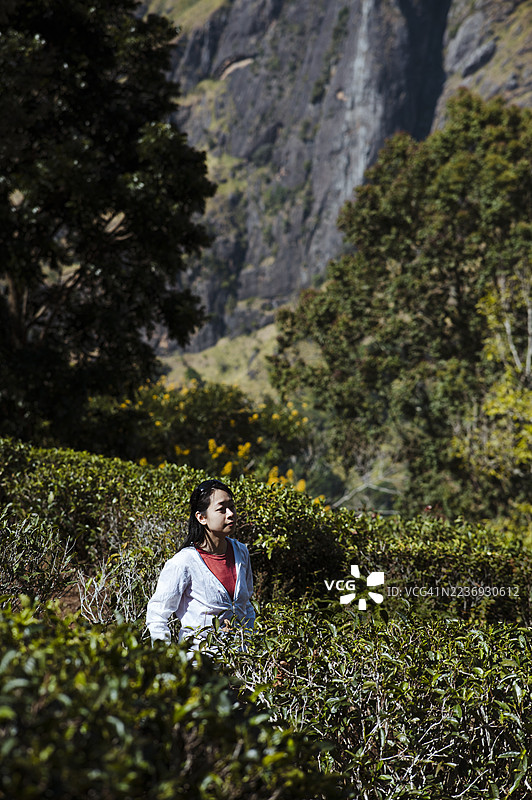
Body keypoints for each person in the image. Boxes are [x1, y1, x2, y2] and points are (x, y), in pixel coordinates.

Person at [146, 478, 255, 649]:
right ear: (201, 517)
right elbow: (157, 615)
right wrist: (165, 661)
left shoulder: (241, 552)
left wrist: (250, 645)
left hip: (241, 665)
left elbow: (246, 605)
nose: (230, 514)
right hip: (199, 666)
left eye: (232, 507)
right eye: (221, 509)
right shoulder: (184, 562)